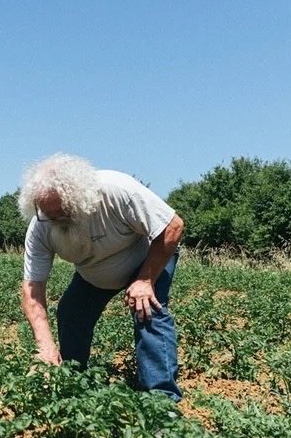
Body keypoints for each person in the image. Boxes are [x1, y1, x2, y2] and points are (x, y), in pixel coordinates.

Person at [18, 153, 185, 400]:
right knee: (71, 312)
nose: (55, 219)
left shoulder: (116, 190)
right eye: (47, 214)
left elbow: (172, 226)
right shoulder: (42, 226)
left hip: (147, 260)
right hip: (94, 273)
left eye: (62, 212)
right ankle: (72, 382)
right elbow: (32, 292)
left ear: (79, 199)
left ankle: (162, 401)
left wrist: (146, 279)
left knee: (148, 309)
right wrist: (45, 347)